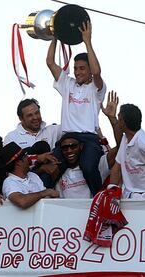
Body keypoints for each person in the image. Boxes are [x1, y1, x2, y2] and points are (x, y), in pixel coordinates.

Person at [46, 20, 106, 195]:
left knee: (88, 168)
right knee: (48, 171)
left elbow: (97, 72)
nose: (77, 72)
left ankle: (100, 201)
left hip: (88, 139)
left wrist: (87, 41)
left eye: (82, 68)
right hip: (67, 139)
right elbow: (50, 62)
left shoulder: (96, 88)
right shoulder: (67, 84)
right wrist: (55, 37)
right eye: (75, 68)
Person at [55, 133, 117, 198]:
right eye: (64, 148)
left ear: (81, 146)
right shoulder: (59, 174)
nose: (69, 151)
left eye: (73, 146)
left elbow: (117, 151)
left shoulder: (96, 167)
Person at [1, 142, 59, 209]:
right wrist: (45, 193)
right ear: (18, 163)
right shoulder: (9, 182)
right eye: (26, 156)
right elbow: (21, 202)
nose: (29, 159)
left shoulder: (33, 176)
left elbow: (46, 199)